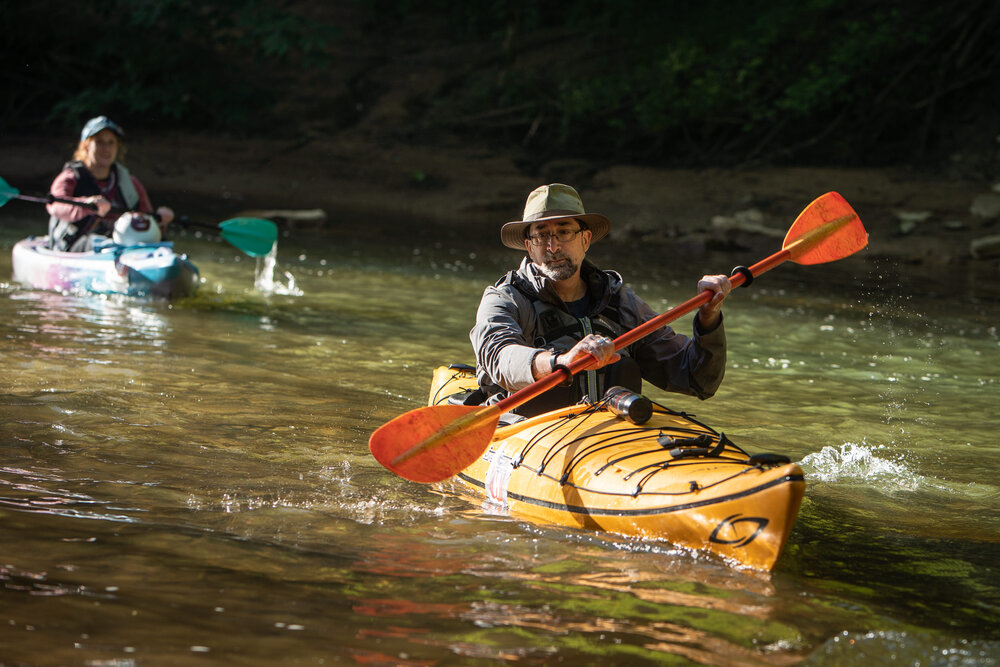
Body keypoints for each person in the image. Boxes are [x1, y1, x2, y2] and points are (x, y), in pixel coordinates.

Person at [470, 183, 732, 417]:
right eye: (541, 235)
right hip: (533, 435)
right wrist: (559, 362)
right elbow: (498, 356)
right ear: (529, 246)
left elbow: (697, 379)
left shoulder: (620, 303)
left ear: (585, 240)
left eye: (564, 232)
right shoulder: (505, 298)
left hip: (608, 441)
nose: (553, 247)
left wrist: (709, 319)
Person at [46, 116, 174, 252]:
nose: (106, 148)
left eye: (111, 142)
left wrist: (159, 219)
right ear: (86, 146)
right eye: (99, 142)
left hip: (118, 245)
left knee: (159, 242)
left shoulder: (129, 182)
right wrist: (87, 205)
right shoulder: (70, 178)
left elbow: (146, 217)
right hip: (78, 245)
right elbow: (55, 206)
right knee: (96, 242)